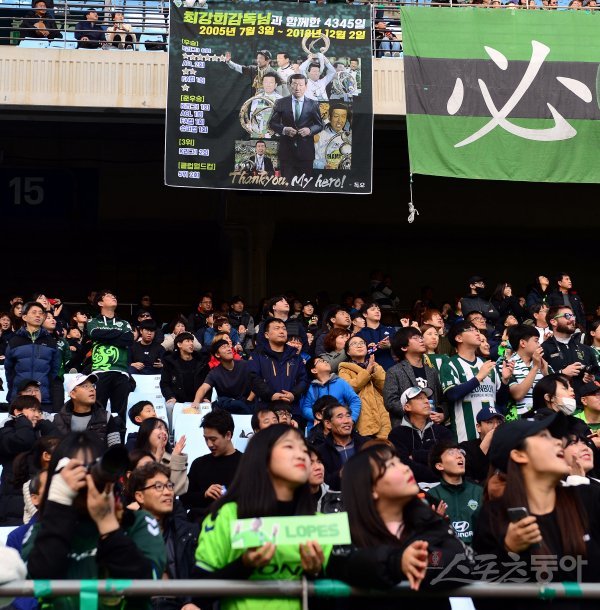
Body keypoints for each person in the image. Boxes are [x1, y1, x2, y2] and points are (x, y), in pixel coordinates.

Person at [193, 424, 328, 610]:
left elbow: (338, 596)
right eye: (289, 446)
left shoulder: (317, 523)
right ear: (262, 456)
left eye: (304, 450)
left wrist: (314, 574)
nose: (302, 455)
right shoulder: (228, 516)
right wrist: (244, 565)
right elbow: (197, 592)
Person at [22, 432, 166, 602]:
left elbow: (146, 584)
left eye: (93, 470)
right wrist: (59, 503)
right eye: (76, 472)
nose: (87, 481)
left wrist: (108, 523)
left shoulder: (137, 523)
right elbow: (40, 582)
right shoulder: (41, 531)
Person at [474, 415, 600, 594]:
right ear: (519, 455)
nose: (559, 442)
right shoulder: (493, 516)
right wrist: (509, 549)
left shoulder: (589, 498)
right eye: (544, 436)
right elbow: (483, 595)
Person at [326, 444, 471, 598]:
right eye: (391, 465)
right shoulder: (347, 532)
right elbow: (345, 563)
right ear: (370, 488)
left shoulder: (426, 519)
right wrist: (397, 562)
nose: (406, 468)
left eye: (400, 462)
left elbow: (462, 559)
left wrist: (425, 561)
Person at [128, 461, 199, 610]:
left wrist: (191, 602)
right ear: (140, 496)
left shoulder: (186, 532)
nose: (168, 492)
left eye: (169, 486)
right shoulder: (126, 534)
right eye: (158, 487)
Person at [0, 396, 56, 526]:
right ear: (17, 412)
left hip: (39, 502)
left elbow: (61, 447)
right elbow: (23, 441)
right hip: (13, 507)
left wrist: (47, 425)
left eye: (39, 411)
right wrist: (23, 421)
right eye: (32, 410)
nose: (37, 414)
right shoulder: (5, 432)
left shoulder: (40, 432)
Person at [181, 409, 242, 522]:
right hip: (201, 523)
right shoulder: (199, 464)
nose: (209, 444)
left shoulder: (246, 463)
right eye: (206, 439)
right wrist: (204, 494)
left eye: (213, 439)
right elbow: (184, 498)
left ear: (228, 435)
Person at [383, 327, 445, 428]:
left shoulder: (432, 371)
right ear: (404, 347)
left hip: (432, 428)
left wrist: (442, 414)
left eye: (421, 337)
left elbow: (442, 399)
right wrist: (415, 411)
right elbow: (390, 402)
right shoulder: (394, 372)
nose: (421, 340)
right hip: (406, 428)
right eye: (415, 338)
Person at [388, 387, 452, 483]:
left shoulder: (443, 431)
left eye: (427, 398)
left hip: (442, 487)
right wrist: (437, 471)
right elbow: (403, 465)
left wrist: (416, 455)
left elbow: (449, 460)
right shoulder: (396, 435)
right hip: (411, 487)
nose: (427, 401)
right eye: (420, 398)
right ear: (407, 407)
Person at [87, 290, 134, 421]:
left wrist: (105, 337)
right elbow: (95, 334)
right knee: (98, 409)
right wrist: (119, 334)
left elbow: (129, 339)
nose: (113, 297)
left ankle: (119, 435)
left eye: (114, 296)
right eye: (108, 296)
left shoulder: (124, 323)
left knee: (120, 413)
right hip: (100, 371)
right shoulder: (93, 321)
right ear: (100, 303)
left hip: (121, 371)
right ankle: (98, 434)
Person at [268, 73, 324, 183]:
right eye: (294, 84)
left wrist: (310, 130)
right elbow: (272, 123)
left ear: (306, 86)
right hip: (286, 152)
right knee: (287, 185)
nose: (297, 88)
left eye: (301, 85)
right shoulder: (281, 102)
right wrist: (284, 130)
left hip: (306, 153)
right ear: (289, 86)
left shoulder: (313, 104)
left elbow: (319, 125)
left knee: (306, 185)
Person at [249, 318, 308, 420]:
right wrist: (271, 395)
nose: (282, 331)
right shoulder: (258, 355)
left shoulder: (295, 356)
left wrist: (293, 394)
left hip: (292, 410)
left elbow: (303, 379)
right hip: (266, 409)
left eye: (284, 329)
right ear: (267, 335)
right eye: (277, 328)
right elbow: (253, 378)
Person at [427, 440, 483, 546]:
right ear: (439, 465)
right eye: (451, 453)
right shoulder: (432, 495)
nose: (459, 456)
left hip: (478, 552)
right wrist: (436, 521)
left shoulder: (478, 491)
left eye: (460, 452)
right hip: (447, 551)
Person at [4, 301, 59, 409]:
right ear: (24, 317)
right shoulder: (14, 341)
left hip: (43, 398)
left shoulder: (51, 342)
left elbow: (54, 370)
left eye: (41, 313)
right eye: (34, 312)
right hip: (19, 398)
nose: (38, 315)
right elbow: (9, 371)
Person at [338, 336, 390, 438]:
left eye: (362, 343)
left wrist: (374, 370)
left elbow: (386, 387)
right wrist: (367, 372)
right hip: (362, 416)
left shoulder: (375, 366)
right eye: (354, 343)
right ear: (348, 352)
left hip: (382, 414)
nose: (359, 345)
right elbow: (350, 388)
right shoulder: (344, 369)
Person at [542, 305, 596, 399]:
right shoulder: (543, 349)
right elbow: (539, 380)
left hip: (584, 404)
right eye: (567, 316)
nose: (572, 319)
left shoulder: (586, 349)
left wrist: (592, 378)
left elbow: (597, 372)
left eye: (573, 316)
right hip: (558, 403)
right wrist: (561, 373)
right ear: (553, 322)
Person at [53, 373, 122, 448]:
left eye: (92, 386)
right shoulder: (58, 420)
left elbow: (115, 450)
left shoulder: (106, 417)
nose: (92, 389)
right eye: (85, 386)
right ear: (73, 394)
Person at [314, 404, 368, 490]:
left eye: (348, 416)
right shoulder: (321, 451)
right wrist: (341, 474)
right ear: (328, 424)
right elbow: (322, 482)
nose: (347, 421)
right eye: (340, 417)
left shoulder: (366, 444)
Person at [191, 340, 253, 414]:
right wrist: (196, 401)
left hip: (247, 404)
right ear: (217, 354)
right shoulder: (215, 373)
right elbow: (204, 388)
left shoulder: (245, 365)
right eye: (224, 347)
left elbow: (257, 383)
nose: (228, 349)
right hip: (227, 408)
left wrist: (249, 400)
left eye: (228, 346)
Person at [503, 324, 550, 421]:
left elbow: (554, 392)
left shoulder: (543, 363)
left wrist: (546, 374)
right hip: (521, 421)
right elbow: (518, 395)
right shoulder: (507, 365)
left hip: (545, 418)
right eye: (536, 341)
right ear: (523, 343)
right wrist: (535, 368)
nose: (539, 345)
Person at [301, 356, 361, 431]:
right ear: (314, 370)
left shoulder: (340, 382)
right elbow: (305, 408)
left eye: (325, 360)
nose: (325, 361)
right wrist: (317, 417)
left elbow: (355, 400)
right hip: (317, 429)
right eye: (320, 361)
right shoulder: (310, 387)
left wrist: (351, 419)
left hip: (339, 427)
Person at [135, 417, 189, 496]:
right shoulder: (137, 458)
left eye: (166, 430)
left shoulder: (171, 458)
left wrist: (176, 457)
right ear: (146, 431)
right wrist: (157, 459)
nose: (164, 432)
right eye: (159, 428)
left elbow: (177, 490)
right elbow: (143, 488)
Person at [160, 331, 209, 405]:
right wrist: (170, 397)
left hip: (199, 401)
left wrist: (206, 397)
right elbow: (164, 383)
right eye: (188, 341)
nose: (191, 343)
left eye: (192, 341)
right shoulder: (170, 362)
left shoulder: (201, 361)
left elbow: (207, 382)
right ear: (179, 344)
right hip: (177, 402)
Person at [459, 405, 504, 484]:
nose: (496, 426)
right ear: (478, 427)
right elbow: (471, 475)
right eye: (490, 422)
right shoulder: (466, 447)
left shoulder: (507, 446)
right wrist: (488, 439)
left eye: (499, 422)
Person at [356, 300, 396, 371]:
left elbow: (400, 348)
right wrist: (378, 347)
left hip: (391, 369)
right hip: (370, 371)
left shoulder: (391, 330)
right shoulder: (360, 335)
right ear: (365, 314)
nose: (377, 311)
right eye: (373, 309)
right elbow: (358, 354)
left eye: (378, 310)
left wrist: (390, 345)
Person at [308, 447, 343, 514]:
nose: (318, 467)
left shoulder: (339, 500)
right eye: (310, 463)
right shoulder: (289, 503)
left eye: (319, 462)